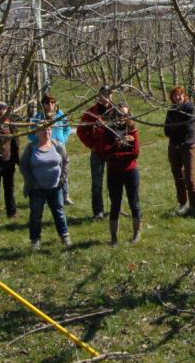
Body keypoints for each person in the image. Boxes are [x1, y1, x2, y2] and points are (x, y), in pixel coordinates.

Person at [19, 125, 70, 249]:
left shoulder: (58, 146)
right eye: (44, 130)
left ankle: (65, 236)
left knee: (59, 213)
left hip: (55, 187)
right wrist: (30, 179)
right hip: (37, 189)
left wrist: (62, 179)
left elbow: (66, 162)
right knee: (36, 215)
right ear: (37, 132)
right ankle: (35, 240)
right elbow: (23, 165)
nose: (47, 132)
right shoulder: (31, 148)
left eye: (49, 129)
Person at [102, 104, 142, 245]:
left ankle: (137, 233)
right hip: (114, 172)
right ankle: (114, 236)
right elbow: (106, 151)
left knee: (134, 202)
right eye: (119, 114)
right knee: (115, 204)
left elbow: (135, 153)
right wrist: (119, 144)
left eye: (124, 114)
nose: (121, 117)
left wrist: (116, 154)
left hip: (130, 171)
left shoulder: (132, 130)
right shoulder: (108, 131)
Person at [77, 86, 117, 219]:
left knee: (115, 182)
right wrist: (91, 145)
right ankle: (98, 211)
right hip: (97, 152)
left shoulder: (116, 111)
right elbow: (81, 130)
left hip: (113, 152)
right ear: (99, 96)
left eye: (109, 94)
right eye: (104, 94)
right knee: (97, 183)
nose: (106, 97)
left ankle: (115, 209)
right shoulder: (91, 113)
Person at [29, 94, 73, 205]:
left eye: (52, 102)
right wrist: (39, 141)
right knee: (48, 171)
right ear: (43, 105)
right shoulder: (38, 117)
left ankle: (65, 195)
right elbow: (30, 133)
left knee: (63, 170)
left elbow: (67, 128)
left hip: (60, 146)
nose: (50, 105)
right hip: (46, 147)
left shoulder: (60, 115)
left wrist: (64, 139)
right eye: (47, 103)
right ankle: (45, 196)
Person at [164, 85, 195, 216]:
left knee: (189, 177)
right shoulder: (171, 110)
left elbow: (188, 129)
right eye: (175, 95)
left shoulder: (189, 108)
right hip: (173, 146)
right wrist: (174, 128)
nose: (177, 97)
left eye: (179, 94)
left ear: (184, 95)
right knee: (178, 177)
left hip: (188, 146)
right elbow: (166, 131)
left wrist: (174, 127)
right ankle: (182, 203)